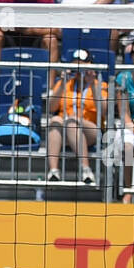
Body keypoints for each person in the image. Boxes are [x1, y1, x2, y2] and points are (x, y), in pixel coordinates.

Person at [46, 50, 108, 184]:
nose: (79, 71)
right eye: (76, 67)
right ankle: (53, 171)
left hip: (91, 129)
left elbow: (104, 111)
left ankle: (86, 169)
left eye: (82, 67)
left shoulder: (100, 85)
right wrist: (62, 82)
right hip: (67, 128)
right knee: (56, 120)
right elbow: (51, 108)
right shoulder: (65, 84)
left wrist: (91, 84)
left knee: (71, 122)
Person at [114, 38, 134, 202]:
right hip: (129, 124)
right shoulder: (123, 77)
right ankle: (128, 190)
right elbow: (122, 109)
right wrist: (132, 125)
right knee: (128, 146)